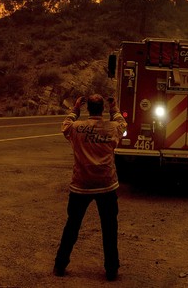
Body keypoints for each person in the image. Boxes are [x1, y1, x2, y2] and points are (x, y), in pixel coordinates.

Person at [54, 94, 127, 281]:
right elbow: (123, 124)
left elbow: (65, 125)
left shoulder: (76, 128)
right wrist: (115, 109)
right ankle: (111, 270)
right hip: (106, 185)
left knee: (72, 225)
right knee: (109, 228)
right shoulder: (112, 128)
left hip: (81, 185)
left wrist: (75, 109)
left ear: (88, 109)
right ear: (102, 109)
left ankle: (60, 265)